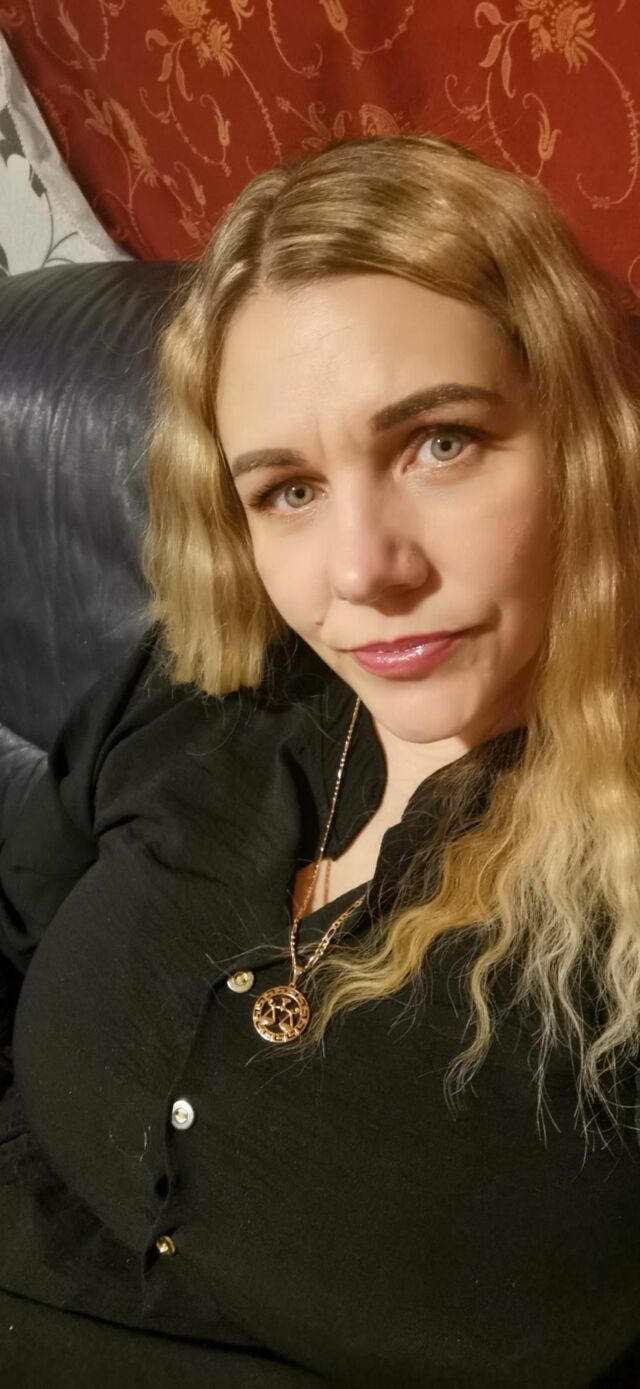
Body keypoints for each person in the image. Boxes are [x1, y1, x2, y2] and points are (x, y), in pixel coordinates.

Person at [0, 131, 639, 1387]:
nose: (360, 573)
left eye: (439, 441)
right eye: (287, 489)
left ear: (587, 435)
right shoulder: (209, 690)